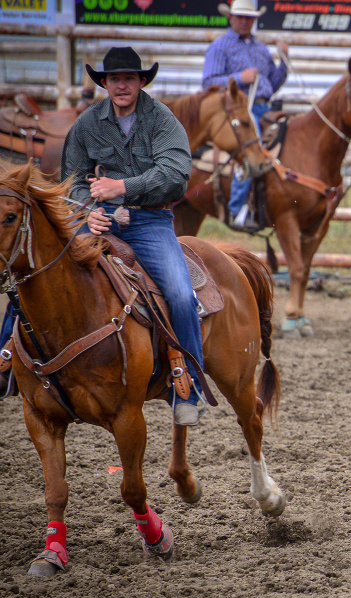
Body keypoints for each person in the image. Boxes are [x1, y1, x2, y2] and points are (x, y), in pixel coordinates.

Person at [59, 46, 202, 427]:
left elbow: (175, 174)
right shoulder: (87, 124)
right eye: (115, 79)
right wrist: (87, 213)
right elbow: (71, 181)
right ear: (104, 83)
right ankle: (15, 360)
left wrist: (120, 186)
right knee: (45, 272)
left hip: (150, 222)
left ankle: (186, 384)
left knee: (180, 294)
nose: (122, 85)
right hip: (98, 220)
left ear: (141, 82)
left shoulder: (162, 120)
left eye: (129, 78)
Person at [202, 0, 288, 231]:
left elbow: (272, 82)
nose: (245, 21)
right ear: (231, 17)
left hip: (264, 107)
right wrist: (241, 77)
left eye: (249, 18)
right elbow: (208, 82)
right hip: (237, 111)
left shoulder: (260, 48)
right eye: (240, 17)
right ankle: (237, 208)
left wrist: (284, 63)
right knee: (250, 146)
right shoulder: (220, 47)